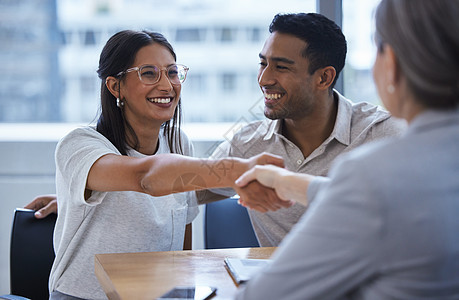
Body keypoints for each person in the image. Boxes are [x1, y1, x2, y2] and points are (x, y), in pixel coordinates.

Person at [26, 12, 406, 247]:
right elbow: (178, 182)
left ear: (324, 77)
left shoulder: (386, 136)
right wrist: (85, 193)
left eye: (281, 67)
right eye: (262, 63)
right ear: (115, 86)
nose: (264, 79)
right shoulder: (247, 143)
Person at [234, 0, 459, 298]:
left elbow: (261, 296)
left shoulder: (375, 168)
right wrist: (282, 180)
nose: (264, 78)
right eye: (263, 63)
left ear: (389, 62)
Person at [47, 30, 283, 300]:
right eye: (149, 73)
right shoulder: (79, 144)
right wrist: (241, 170)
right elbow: (145, 177)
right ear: (115, 86)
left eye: (172, 72)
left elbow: (181, 243)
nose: (167, 86)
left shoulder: (178, 143)